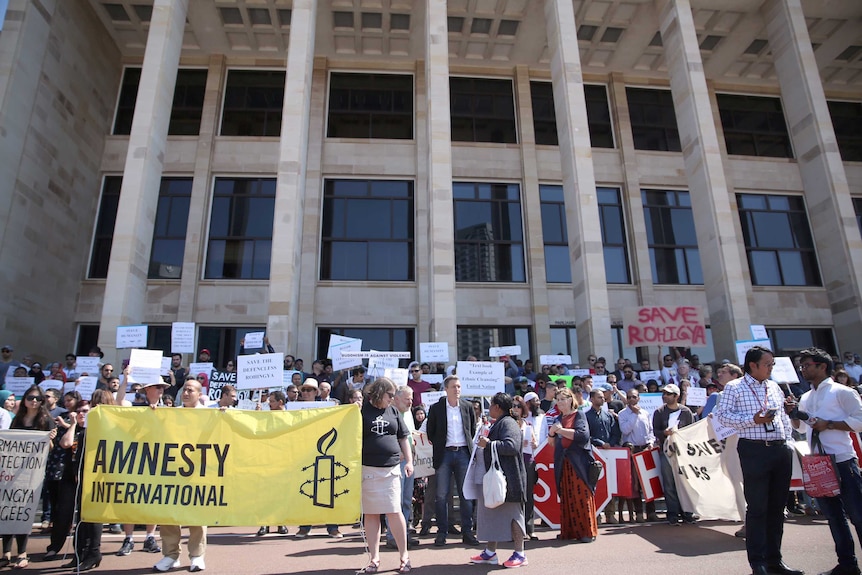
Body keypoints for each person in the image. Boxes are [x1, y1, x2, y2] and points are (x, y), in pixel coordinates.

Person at [715, 345, 800, 575]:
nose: (771, 368)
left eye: (772, 364)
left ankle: (775, 560)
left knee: (777, 508)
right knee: (758, 508)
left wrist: (788, 442)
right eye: (767, 364)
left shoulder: (774, 387)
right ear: (753, 365)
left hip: (780, 450)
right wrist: (753, 420)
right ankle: (758, 562)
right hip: (754, 450)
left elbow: (781, 417)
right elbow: (722, 416)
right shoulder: (734, 387)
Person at [791, 347, 862, 575]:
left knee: (858, 515)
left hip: (843, 461)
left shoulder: (843, 392)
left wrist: (829, 424)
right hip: (820, 464)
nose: (803, 369)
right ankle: (847, 564)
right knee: (834, 518)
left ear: (822, 366)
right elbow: (800, 428)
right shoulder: (805, 397)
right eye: (801, 366)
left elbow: (860, 422)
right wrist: (792, 413)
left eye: (807, 365)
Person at [357, 377, 412, 574]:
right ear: (380, 392)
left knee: (394, 511)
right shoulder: (362, 411)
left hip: (391, 469)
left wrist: (410, 461)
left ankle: (404, 556)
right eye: (390, 394)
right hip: (368, 469)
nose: (392, 398)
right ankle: (374, 559)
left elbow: (403, 437)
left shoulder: (394, 411)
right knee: (371, 514)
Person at [154, 378, 208, 572]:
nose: (185, 393)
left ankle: (197, 555)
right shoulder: (172, 414)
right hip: (172, 470)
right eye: (184, 390)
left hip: (198, 472)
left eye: (190, 390)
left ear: (200, 394)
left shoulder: (210, 415)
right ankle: (170, 555)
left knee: (197, 515)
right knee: (169, 514)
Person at [470, 393, 528, 568]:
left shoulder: (508, 423)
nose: (488, 409)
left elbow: (512, 446)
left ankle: (520, 554)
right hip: (501, 478)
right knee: (493, 515)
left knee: (513, 516)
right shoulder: (501, 422)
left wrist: (489, 444)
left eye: (491, 405)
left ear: (497, 407)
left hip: (510, 479)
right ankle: (490, 552)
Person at [1, 385, 57, 568]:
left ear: (42, 402)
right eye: (31, 398)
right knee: (9, 510)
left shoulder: (46, 420)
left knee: (24, 511)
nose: (34, 401)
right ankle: (6, 552)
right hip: (12, 471)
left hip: (34, 472)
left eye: (38, 399)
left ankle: (23, 552)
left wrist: (48, 440)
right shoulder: (17, 419)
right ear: (24, 400)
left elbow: (50, 449)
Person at [426, 375, 478, 547]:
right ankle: (442, 532)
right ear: (446, 389)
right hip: (445, 454)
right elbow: (431, 431)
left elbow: (472, 428)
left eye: (459, 386)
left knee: (465, 495)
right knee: (441, 495)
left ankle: (467, 531)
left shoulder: (467, 406)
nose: (457, 390)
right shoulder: (436, 408)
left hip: (463, 453)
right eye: (454, 387)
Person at [548, 386, 597, 542]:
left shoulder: (579, 415)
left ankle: (587, 532)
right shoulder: (557, 419)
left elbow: (582, 436)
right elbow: (551, 443)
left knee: (582, 495)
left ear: (571, 400)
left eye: (563, 399)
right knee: (567, 497)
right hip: (564, 462)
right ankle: (569, 531)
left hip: (579, 463)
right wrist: (551, 433)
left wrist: (560, 431)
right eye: (558, 399)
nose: (560, 402)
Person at [652, 383, 695, 525]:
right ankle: (673, 514)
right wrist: (664, 433)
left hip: (683, 453)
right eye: (664, 393)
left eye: (668, 394)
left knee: (685, 482)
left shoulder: (686, 412)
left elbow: (692, 430)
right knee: (669, 483)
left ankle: (687, 512)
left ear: (676, 396)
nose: (665, 396)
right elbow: (655, 431)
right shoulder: (659, 412)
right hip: (667, 452)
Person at [386, 386, 420, 549]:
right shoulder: (389, 414)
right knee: (395, 501)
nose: (410, 402)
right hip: (395, 462)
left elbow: (408, 435)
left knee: (406, 501)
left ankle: (403, 533)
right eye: (407, 399)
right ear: (397, 398)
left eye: (411, 398)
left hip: (408, 462)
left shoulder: (408, 413)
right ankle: (392, 536)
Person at [618, 389, 658, 522]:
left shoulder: (645, 413)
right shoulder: (623, 414)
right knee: (636, 484)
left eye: (634, 397)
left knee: (648, 483)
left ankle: (651, 512)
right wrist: (634, 415)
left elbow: (650, 430)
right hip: (632, 451)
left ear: (639, 398)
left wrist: (651, 442)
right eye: (629, 397)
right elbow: (625, 430)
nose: (631, 399)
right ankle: (639, 513)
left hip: (645, 449)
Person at [585, 389, 621, 524]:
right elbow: (586, 435)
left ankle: (610, 513)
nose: (602, 399)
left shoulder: (608, 416)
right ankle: (597, 513)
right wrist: (600, 443)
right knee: (595, 484)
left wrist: (610, 443)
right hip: (593, 454)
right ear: (592, 399)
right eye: (599, 397)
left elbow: (616, 433)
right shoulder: (586, 416)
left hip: (608, 453)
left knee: (609, 483)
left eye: (603, 397)